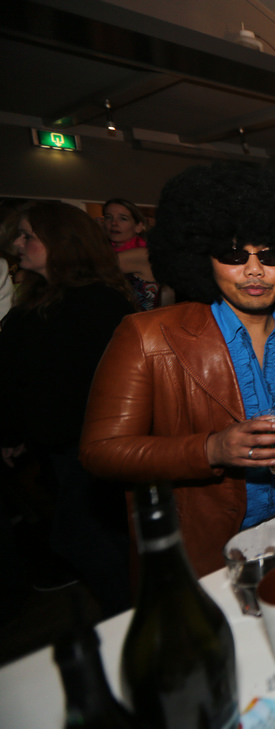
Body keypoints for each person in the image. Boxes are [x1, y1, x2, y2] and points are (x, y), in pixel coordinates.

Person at [80, 163, 275, 578]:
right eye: (234, 255)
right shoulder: (147, 336)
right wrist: (210, 450)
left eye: (271, 255)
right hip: (206, 544)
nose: (254, 270)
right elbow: (101, 450)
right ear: (203, 257)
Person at [0, 201, 137, 615]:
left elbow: (107, 381)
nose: (18, 244)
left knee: (80, 539)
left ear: (61, 242)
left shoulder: (96, 302)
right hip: (58, 448)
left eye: (29, 236)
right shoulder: (37, 300)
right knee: (96, 538)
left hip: (90, 444)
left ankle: (136, 615)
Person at [101, 198, 173, 310]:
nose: (114, 223)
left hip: (137, 318)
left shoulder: (143, 253)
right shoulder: (104, 250)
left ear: (138, 227)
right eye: (108, 217)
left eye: (123, 219)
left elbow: (88, 268)